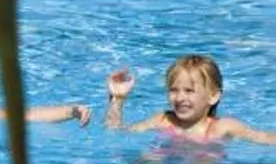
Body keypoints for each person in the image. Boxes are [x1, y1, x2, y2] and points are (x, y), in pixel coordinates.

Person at [106, 55, 276, 143]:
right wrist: (117, 99)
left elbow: (265, 138)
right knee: (150, 157)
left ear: (213, 96)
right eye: (174, 90)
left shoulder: (223, 127)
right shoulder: (164, 120)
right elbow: (117, 132)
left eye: (189, 91)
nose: (180, 98)